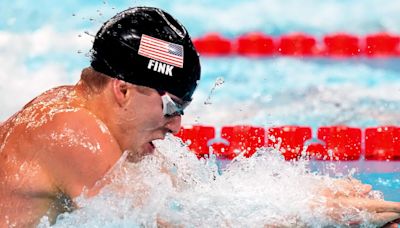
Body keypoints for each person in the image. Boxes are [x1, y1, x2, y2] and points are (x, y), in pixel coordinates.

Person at [0, 6, 399, 228]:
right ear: (122, 89)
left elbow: (195, 203)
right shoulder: (71, 133)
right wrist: (320, 221)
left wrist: (323, 199)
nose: (176, 126)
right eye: (172, 107)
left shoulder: (83, 112)